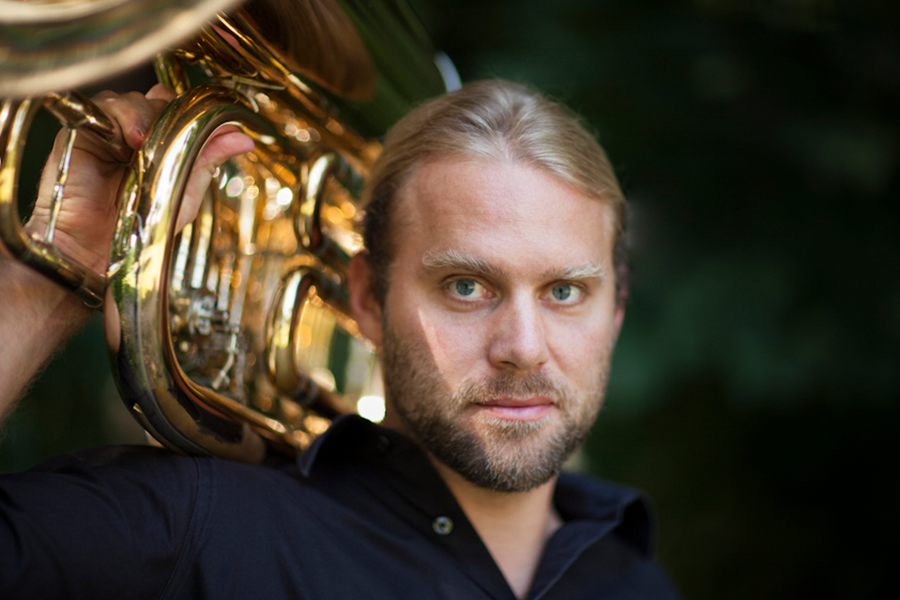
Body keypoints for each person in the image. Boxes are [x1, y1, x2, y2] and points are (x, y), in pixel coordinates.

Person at [0, 80, 680, 599]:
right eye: (466, 287)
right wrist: (50, 276)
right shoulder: (200, 531)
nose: (524, 347)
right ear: (366, 299)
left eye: (565, 292)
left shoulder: (632, 578)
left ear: (615, 310)